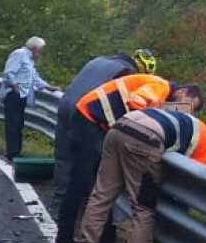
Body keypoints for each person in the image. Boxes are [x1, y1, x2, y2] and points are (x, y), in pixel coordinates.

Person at [72, 99, 206, 243]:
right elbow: (193, 181)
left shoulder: (203, 131)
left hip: (120, 127)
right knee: (143, 207)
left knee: (101, 196)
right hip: (145, 139)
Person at [50, 68, 185, 243]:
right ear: (182, 93)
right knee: (81, 183)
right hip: (89, 121)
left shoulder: (159, 88)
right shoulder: (160, 87)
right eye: (183, 103)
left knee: (103, 185)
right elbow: (137, 102)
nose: (177, 108)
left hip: (95, 123)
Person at [52, 49, 156, 199]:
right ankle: (83, 205)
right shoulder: (127, 72)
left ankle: (58, 202)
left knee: (64, 156)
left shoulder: (98, 60)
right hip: (85, 112)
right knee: (88, 162)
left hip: (65, 104)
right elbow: (121, 105)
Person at [0, 36, 59, 161]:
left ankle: (16, 152)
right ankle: (12, 153)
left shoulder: (29, 59)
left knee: (18, 124)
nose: (41, 52)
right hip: (13, 94)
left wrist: (48, 87)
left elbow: (34, 78)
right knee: (13, 124)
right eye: (40, 49)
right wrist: (15, 85)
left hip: (22, 95)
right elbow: (9, 72)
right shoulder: (19, 54)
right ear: (35, 48)